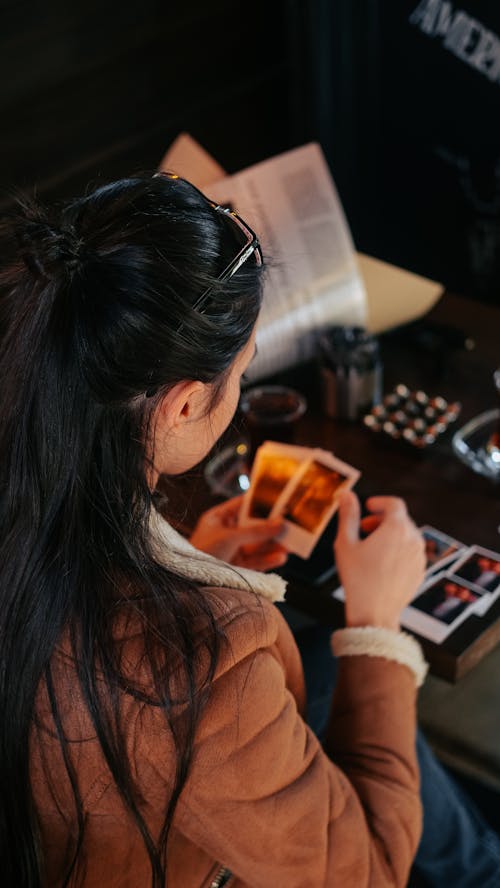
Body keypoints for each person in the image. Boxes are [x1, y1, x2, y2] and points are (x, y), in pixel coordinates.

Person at [0, 171, 496, 888]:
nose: (243, 386)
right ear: (183, 404)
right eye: (244, 370)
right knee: (333, 653)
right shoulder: (203, 664)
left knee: (312, 658)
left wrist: (196, 561)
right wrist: (378, 627)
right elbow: (368, 871)